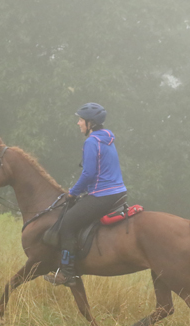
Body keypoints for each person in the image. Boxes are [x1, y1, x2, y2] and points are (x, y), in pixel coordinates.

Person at [45, 103, 128, 286]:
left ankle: (67, 273)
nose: (78, 123)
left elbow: (89, 174)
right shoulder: (106, 138)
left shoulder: (91, 142)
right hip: (117, 192)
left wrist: (72, 193)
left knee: (68, 223)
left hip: (102, 194)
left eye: (81, 120)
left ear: (90, 123)